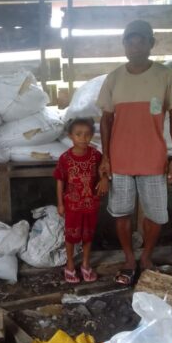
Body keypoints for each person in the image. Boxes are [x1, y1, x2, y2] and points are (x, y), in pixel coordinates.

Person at [97, 19, 172, 285]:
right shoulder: (114, 78)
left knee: (156, 214)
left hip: (153, 158)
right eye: (130, 39)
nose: (135, 44)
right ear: (124, 44)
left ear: (151, 43)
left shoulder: (165, 76)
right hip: (120, 160)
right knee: (121, 213)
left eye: (141, 39)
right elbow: (106, 120)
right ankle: (130, 259)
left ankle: (147, 258)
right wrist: (106, 158)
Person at [54, 118, 109, 284]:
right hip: (72, 205)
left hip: (91, 203)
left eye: (87, 135)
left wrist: (104, 178)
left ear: (92, 135)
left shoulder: (96, 156)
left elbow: (103, 171)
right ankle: (70, 265)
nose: (83, 138)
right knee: (71, 236)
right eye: (78, 134)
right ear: (71, 136)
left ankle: (85, 264)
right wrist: (60, 203)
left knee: (88, 235)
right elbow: (60, 181)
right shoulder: (65, 158)